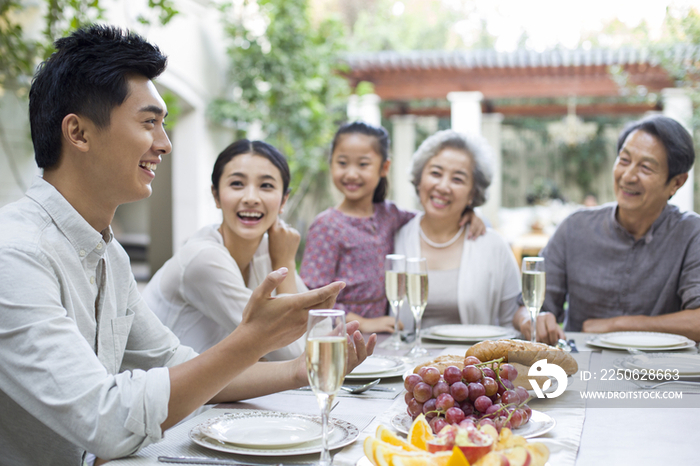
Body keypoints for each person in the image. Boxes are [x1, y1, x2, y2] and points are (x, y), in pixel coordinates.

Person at [0, 25, 375, 466]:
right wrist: (251, 339)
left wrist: (301, 370)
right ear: (79, 134)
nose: (165, 143)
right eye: (149, 123)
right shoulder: (15, 253)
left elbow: (181, 366)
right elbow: (104, 421)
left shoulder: (108, 255)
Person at [515, 115, 700, 344]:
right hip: (579, 369)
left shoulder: (692, 233)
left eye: (645, 167)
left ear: (677, 182)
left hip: (659, 373)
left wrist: (619, 325)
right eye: (624, 160)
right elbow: (526, 308)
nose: (628, 176)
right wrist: (529, 319)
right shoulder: (575, 227)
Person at [300, 122, 485, 334]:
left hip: (384, 338)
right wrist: (361, 322)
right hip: (339, 338)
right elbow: (310, 297)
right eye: (342, 163)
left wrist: (468, 213)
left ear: (384, 168)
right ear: (330, 163)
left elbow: (434, 218)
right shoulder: (326, 226)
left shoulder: (390, 215)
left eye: (363, 164)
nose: (351, 174)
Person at [143, 139, 306, 360]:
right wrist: (285, 264)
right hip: (158, 389)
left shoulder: (271, 249)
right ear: (216, 195)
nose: (250, 198)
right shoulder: (204, 258)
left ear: (284, 199)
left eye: (266, 186)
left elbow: (322, 329)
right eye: (237, 184)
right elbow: (290, 355)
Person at [394, 130, 522, 329]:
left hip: (472, 360)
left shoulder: (493, 246)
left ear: (473, 193)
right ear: (419, 180)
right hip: (405, 359)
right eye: (435, 173)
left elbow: (512, 323)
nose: (443, 187)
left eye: (458, 179)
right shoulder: (394, 237)